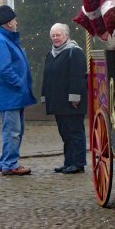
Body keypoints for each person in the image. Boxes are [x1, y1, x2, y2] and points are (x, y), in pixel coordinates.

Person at [0, 5, 37, 175]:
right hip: (10, 95)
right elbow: (4, 69)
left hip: (12, 94)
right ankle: (10, 164)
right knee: (13, 132)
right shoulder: (0, 40)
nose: (17, 22)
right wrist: (19, 83)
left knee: (14, 130)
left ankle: (6, 162)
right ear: (8, 23)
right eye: (15, 20)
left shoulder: (3, 38)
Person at [42, 23, 87, 174]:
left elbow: (78, 77)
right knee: (65, 133)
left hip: (72, 103)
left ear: (66, 36)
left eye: (58, 35)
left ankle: (78, 163)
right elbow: (47, 77)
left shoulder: (74, 52)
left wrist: (75, 98)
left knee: (75, 132)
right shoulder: (51, 54)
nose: (55, 38)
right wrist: (45, 97)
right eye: (53, 36)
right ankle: (68, 162)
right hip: (58, 102)